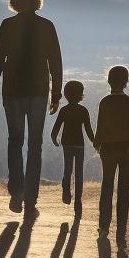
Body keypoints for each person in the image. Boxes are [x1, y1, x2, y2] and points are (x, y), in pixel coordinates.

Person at [0, 0, 62, 217]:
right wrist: (56, 94)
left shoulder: (8, 25)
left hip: (13, 90)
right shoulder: (46, 26)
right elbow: (56, 62)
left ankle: (17, 193)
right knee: (35, 145)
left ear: (16, 0)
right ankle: (30, 200)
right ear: (36, 0)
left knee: (15, 141)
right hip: (39, 90)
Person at [94, 65, 129, 247]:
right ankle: (121, 234)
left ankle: (103, 228)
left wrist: (97, 145)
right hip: (125, 150)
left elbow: (99, 128)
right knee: (124, 190)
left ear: (108, 81)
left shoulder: (104, 102)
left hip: (107, 149)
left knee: (106, 186)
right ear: (126, 82)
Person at [51, 80, 94, 215]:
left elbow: (55, 129)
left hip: (67, 143)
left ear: (66, 94)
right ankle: (78, 200)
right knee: (79, 172)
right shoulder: (83, 110)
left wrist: (55, 139)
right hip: (79, 144)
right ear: (81, 95)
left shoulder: (64, 110)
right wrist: (96, 142)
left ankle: (66, 193)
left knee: (67, 169)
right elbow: (88, 130)